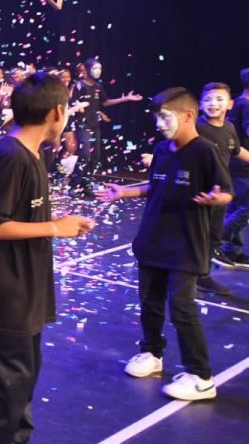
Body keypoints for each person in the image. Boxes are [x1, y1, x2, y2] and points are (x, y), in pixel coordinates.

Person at [0, 72, 95, 443]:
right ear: (56, 112)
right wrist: (54, 227)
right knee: (1, 396)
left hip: (25, 292)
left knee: (21, 386)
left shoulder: (32, 154)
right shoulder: (10, 157)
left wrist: (57, 222)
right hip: (2, 296)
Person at [101, 87, 230, 401]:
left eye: (165, 117)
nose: (159, 124)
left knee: (182, 308)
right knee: (150, 302)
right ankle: (152, 353)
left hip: (185, 245)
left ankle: (201, 377)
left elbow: (226, 191)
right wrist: (125, 192)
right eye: (156, 118)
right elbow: (156, 184)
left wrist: (217, 199)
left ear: (188, 115)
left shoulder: (204, 151)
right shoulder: (161, 149)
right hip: (153, 240)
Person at [194, 82, 249, 294]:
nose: (213, 103)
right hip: (199, 191)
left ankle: (203, 276)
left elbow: (236, 150)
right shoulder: (197, 127)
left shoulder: (229, 128)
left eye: (219, 99)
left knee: (214, 235)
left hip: (221, 192)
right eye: (207, 99)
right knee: (197, 234)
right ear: (200, 104)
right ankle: (188, 276)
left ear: (230, 104)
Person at [68, 58, 142, 198]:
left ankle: (86, 184)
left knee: (95, 158)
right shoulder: (79, 86)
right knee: (85, 155)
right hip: (83, 125)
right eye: (95, 68)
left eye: (100, 68)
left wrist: (125, 98)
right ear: (87, 70)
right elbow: (72, 104)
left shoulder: (98, 86)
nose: (98, 71)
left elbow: (105, 102)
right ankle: (73, 185)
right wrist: (77, 108)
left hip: (95, 126)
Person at [216, 68, 249, 268]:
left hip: (234, 163)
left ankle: (232, 250)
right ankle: (216, 238)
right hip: (243, 165)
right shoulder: (246, 105)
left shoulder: (237, 102)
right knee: (245, 209)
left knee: (236, 208)